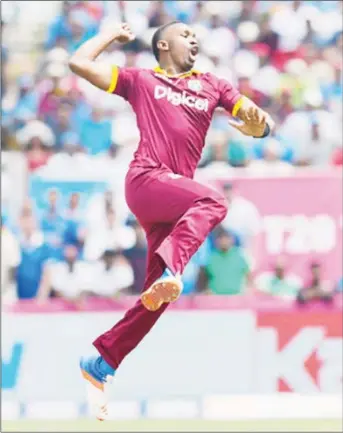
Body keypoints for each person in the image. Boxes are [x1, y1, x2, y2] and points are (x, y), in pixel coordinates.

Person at [69, 21, 274, 420]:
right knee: (215, 200)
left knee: (155, 300)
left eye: (196, 36)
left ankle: (102, 362)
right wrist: (111, 34)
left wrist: (261, 127)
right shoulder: (140, 80)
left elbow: (256, 115)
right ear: (163, 44)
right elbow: (79, 62)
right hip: (147, 181)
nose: (194, 38)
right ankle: (173, 268)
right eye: (185, 34)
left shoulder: (213, 84)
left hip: (175, 202)